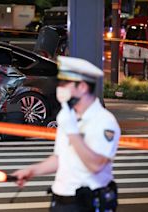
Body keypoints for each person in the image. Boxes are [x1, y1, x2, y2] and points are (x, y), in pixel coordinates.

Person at [11, 56, 121, 212]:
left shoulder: (104, 121)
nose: (59, 89)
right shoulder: (69, 116)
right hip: (61, 201)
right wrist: (32, 171)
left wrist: (72, 131)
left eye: (65, 84)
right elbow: (60, 158)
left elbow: (95, 164)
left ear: (82, 87)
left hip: (87, 203)